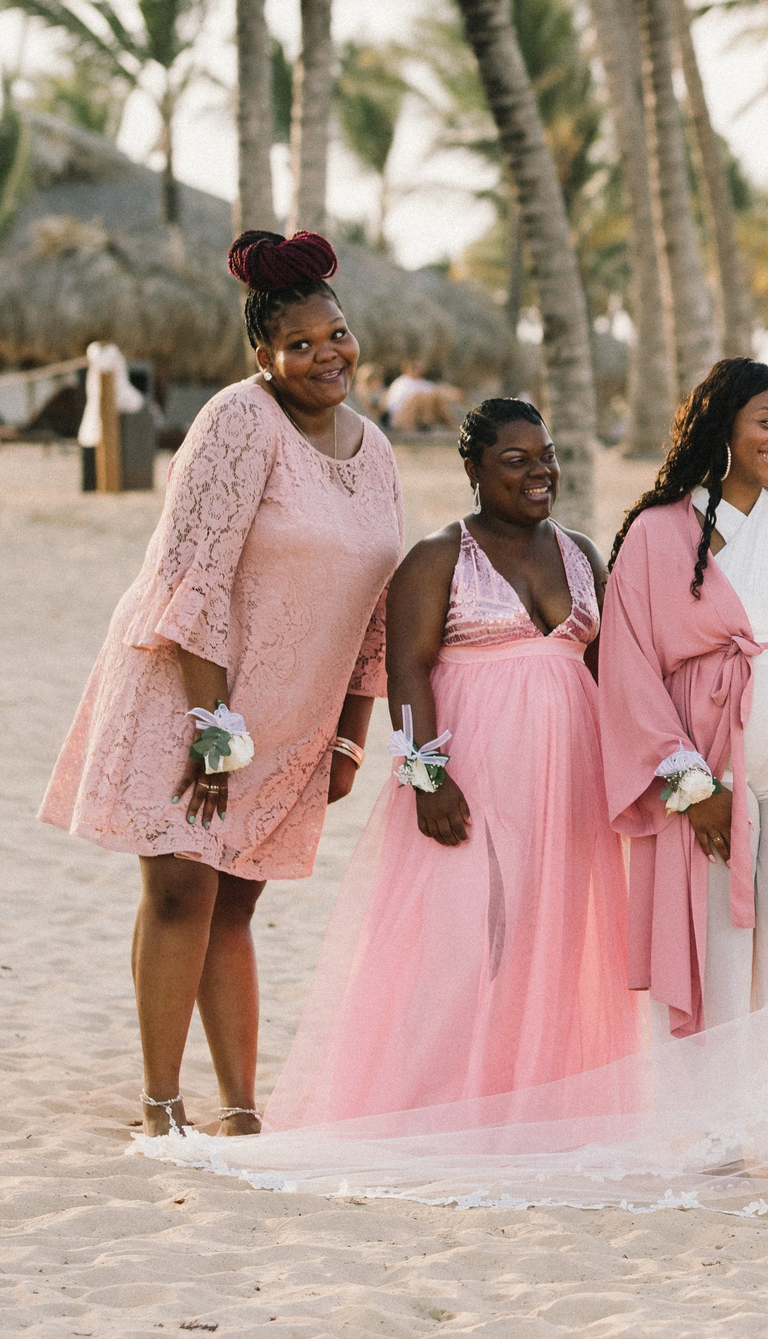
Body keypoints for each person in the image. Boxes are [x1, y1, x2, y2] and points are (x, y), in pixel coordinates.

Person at [41, 230, 403, 1136]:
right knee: (181, 891)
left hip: (295, 715)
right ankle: (163, 1105)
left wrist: (351, 731)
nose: (329, 356)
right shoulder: (238, 421)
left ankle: (241, 1108)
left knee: (237, 897)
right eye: (302, 345)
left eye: (338, 334)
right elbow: (194, 574)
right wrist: (212, 724)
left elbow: (378, 609)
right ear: (263, 357)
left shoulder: (379, 452)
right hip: (189, 694)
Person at [256, 399, 638, 1131]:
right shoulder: (438, 557)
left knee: (546, 932)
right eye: (516, 460)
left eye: (547, 454)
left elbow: (615, 670)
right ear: (473, 468)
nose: (540, 472)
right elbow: (406, 670)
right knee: (461, 936)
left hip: (569, 777)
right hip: (468, 773)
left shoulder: (583, 553)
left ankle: (527, 1101)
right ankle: (428, 1102)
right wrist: (426, 775)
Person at [599, 358, 768, 1182]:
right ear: (720, 421)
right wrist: (689, 783)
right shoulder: (656, 534)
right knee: (717, 953)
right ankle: (718, 1142)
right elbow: (630, 671)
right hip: (709, 777)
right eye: (767, 421)